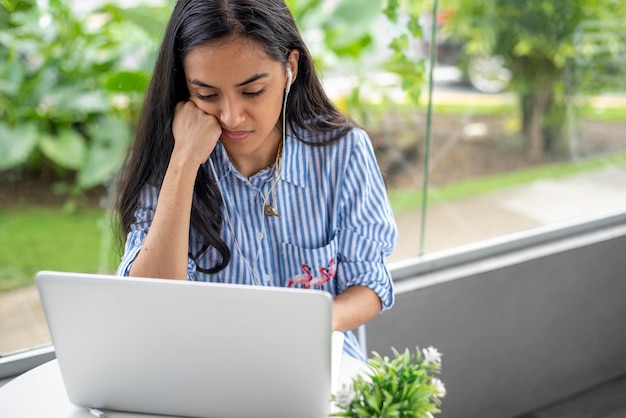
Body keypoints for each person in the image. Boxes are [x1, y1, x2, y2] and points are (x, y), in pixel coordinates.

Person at [114, 0, 398, 361]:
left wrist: (310, 325)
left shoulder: (342, 152)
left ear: (290, 69)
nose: (231, 117)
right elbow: (147, 305)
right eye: (207, 95)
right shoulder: (169, 161)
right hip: (205, 371)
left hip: (311, 361)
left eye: (252, 92)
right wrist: (184, 162)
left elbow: (369, 283)